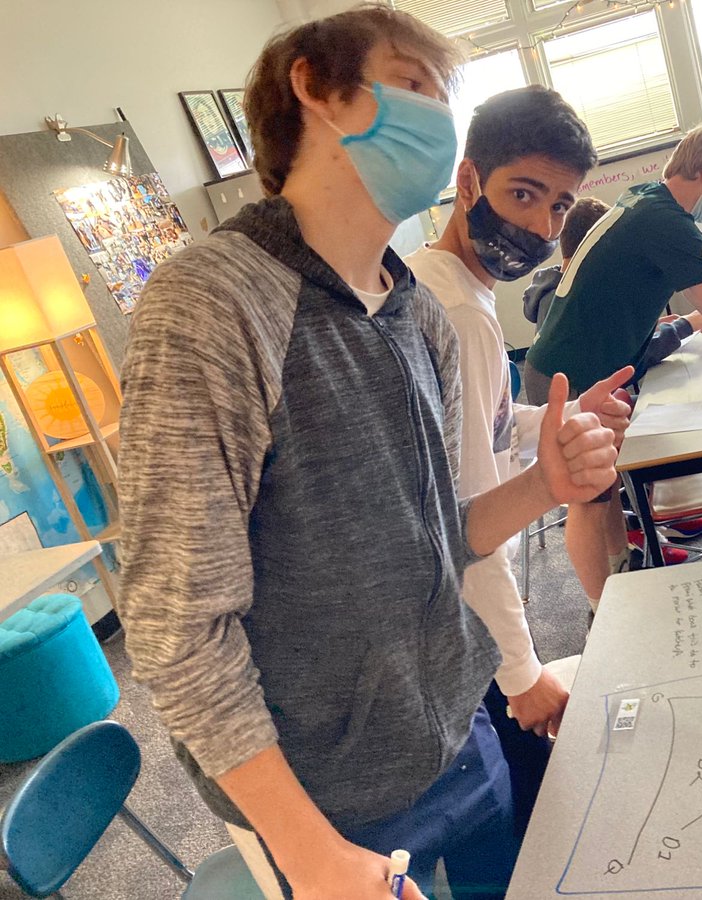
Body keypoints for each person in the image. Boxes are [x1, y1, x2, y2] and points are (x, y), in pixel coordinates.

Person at [116, 8, 620, 900]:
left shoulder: (412, 308)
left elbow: (438, 537)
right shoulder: (213, 303)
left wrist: (545, 484)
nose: (436, 117)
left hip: (455, 732)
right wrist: (307, 852)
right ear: (315, 87)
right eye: (415, 83)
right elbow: (175, 631)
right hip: (329, 801)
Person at [403, 85, 631, 838]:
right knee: (521, 825)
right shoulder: (462, 314)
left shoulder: (436, 279)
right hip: (453, 624)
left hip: (440, 617)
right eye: (524, 194)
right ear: (467, 181)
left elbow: (482, 429)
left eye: (561, 206)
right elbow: (470, 522)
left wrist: (553, 419)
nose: (540, 224)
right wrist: (523, 673)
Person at [523, 119, 702, 611]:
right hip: (568, 378)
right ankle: (607, 612)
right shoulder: (666, 222)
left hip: (579, 369)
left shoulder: (644, 198)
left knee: (605, 487)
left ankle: (622, 569)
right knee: (589, 501)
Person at [523, 196, 702, 383]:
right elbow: (628, 361)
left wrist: (645, 330)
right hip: (569, 391)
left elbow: (603, 340)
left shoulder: (552, 287)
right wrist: (686, 325)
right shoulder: (583, 298)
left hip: (561, 383)